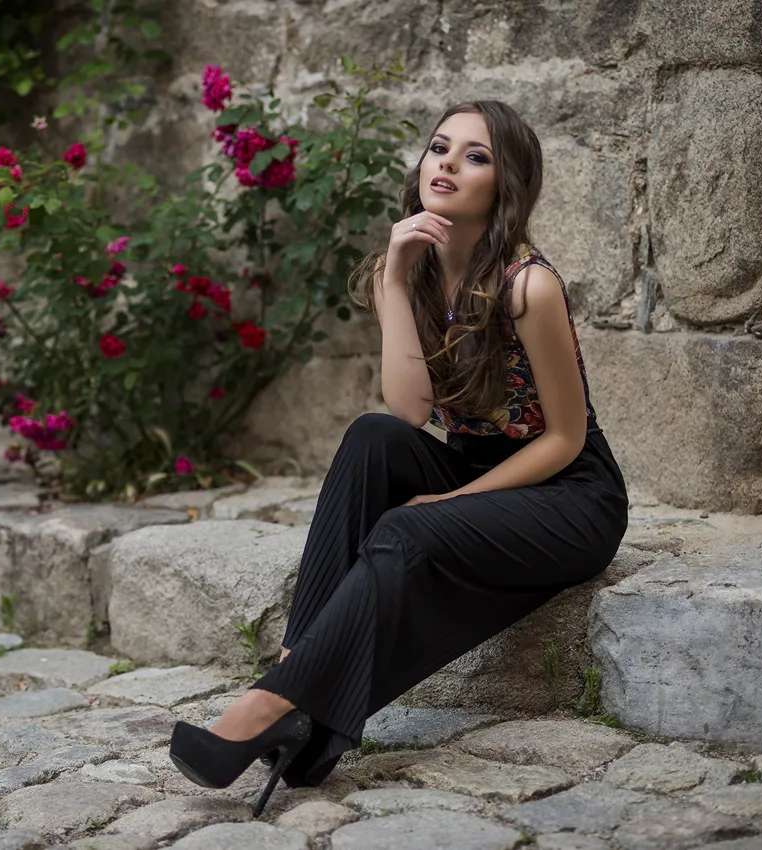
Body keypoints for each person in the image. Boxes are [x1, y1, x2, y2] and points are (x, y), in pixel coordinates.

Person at [169, 99, 630, 817]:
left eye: (474, 155)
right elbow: (410, 411)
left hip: (571, 496)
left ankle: (269, 704)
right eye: (439, 147)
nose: (445, 162)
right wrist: (392, 278)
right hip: (482, 468)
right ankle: (297, 671)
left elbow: (565, 439)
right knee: (370, 438)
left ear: (505, 186)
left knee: (406, 530)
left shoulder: (528, 287)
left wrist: (449, 503)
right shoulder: (411, 269)